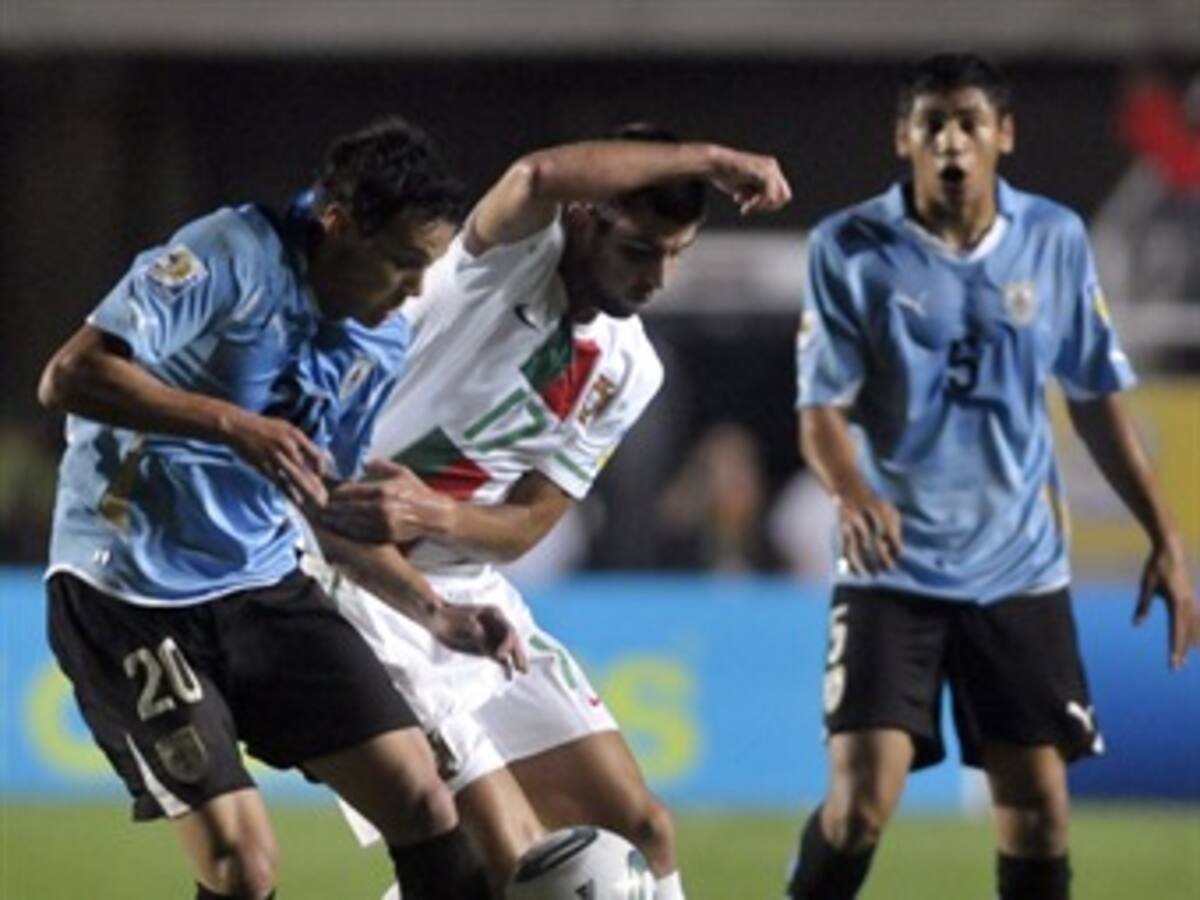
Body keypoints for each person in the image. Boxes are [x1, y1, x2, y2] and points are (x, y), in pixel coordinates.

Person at [38, 116, 524, 900]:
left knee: (425, 800)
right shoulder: (228, 255)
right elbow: (69, 375)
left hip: (264, 588)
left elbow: (322, 503)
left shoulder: (377, 343)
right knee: (244, 865)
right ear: (339, 224)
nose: (412, 289)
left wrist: (435, 612)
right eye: (401, 262)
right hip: (129, 592)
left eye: (424, 268)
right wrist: (232, 424)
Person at [310, 124, 791, 898]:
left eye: (674, 254)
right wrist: (712, 159)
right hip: (357, 586)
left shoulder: (631, 370)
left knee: (642, 830)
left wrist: (434, 517)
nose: (656, 278)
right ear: (584, 216)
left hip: (471, 597)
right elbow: (536, 173)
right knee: (506, 859)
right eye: (639, 249)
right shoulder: (503, 264)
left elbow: (529, 523)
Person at [786, 54, 1197, 900]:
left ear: (1003, 135)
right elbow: (820, 409)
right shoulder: (849, 246)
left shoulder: (1054, 238)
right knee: (860, 805)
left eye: (969, 122)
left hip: (1019, 567)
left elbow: (1095, 398)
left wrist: (1165, 534)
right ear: (903, 138)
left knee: (1039, 810)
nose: (951, 140)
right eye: (932, 123)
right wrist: (854, 494)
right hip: (890, 566)